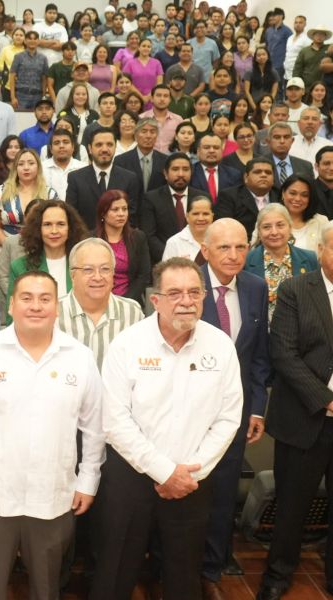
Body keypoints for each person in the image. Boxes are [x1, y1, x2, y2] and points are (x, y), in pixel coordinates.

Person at [91, 257, 243, 600]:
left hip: (192, 479)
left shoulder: (220, 346)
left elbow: (228, 417)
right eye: (174, 293)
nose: (186, 301)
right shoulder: (127, 345)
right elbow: (115, 421)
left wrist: (190, 474)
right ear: (155, 300)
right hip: (131, 476)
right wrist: (163, 471)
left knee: (184, 573)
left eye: (194, 292)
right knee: (115, 571)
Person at [0, 267, 103, 599]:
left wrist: (87, 480)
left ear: (57, 306)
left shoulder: (79, 358)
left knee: (47, 587)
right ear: (11, 305)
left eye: (44, 299)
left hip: (54, 494)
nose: (35, 306)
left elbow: (94, 427)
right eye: (26, 298)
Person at [254, 221, 333, 600]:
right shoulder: (296, 289)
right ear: (321, 251)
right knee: (291, 506)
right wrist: (326, 398)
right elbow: (283, 353)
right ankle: (278, 574)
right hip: (306, 418)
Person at [198, 218, 270, 599]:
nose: (234, 255)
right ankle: (173, 563)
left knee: (225, 492)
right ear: (205, 250)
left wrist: (257, 409)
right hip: (189, 412)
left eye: (241, 247)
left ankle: (213, 567)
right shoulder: (187, 283)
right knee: (189, 489)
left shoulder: (256, 287)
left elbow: (260, 356)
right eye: (224, 247)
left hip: (236, 413)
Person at [57, 237, 144, 365]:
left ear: (113, 273)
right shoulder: (53, 313)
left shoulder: (132, 313)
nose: (97, 277)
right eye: (88, 270)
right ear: (72, 275)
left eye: (105, 269)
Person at [6, 200, 88, 322]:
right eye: (47, 224)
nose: (54, 231)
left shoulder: (85, 264)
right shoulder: (20, 267)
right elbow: (12, 318)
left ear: (70, 228)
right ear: (38, 229)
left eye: (60, 224)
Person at [244, 203, 319, 322]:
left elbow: (317, 301)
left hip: (301, 334)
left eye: (280, 225)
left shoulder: (310, 258)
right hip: (262, 335)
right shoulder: (246, 261)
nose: (274, 232)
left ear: (290, 227)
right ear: (259, 231)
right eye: (267, 227)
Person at [65, 128, 140, 230]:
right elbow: (71, 215)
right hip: (86, 240)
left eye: (109, 144)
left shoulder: (129, 178)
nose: (104, 149)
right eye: (99, 145)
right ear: (90, 149)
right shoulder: (75, 178)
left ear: (115, 147)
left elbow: (132, 216)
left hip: (119, 240)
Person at [0, 149, 58, 254]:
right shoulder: (1, 192)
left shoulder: (50, 194)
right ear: (15, 168)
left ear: (38, 167)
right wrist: (10, 247)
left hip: (40, 249)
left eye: (31, 163)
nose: (26, 168)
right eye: (21, 164)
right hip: (5, 248)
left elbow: (55, 225)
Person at [95, 190, 150, 305]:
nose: (121, 214)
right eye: (115, 210)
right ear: (103, 213)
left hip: (130, 301)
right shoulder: (91, 240)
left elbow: (143, 275)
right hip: (97, 301)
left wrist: (125, 301)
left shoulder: (138, 237)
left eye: (124, 209)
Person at [215, 158, 280, 240]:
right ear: (246, 177)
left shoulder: (280, 195)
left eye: (268, 172)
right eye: (257, 172)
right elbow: (224, 228)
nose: (264, 175)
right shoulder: (229, 196)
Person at [114, 118, 169, 194]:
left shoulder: (165, 161)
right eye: (144, 131)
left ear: (157, 136)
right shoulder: (121, 161)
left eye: (152, 132)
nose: (148, 136)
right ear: (136, 135)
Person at [279, 173, 329, 251]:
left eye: (304, 195)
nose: (298, 199)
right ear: (283, 193)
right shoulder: (268, 218)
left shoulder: (321, 222)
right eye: (293, 193)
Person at [162, 195, 214, 263]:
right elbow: (166, 272)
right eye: (195, 214)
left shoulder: (222, 239)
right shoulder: (174, 243)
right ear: (187, 216)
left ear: (212, 216)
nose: (201, 218)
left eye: (205, 214)